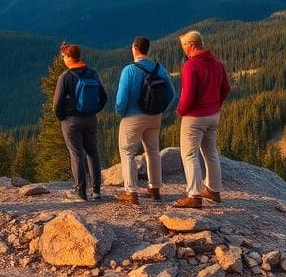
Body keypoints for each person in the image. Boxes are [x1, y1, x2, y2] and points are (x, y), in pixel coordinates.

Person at [114, 36, 176, 205]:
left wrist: (121, 113)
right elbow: (172, 94)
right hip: (155, 117)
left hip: (133, 117)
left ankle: (131, 191)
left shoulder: (129, 70)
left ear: (134, 48)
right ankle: (155, 188)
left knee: (128, 152)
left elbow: (121, 99)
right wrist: (161, 110)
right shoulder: (159, 68)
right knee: (153, 151)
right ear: (147, 49)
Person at [174, 30, 231, 209]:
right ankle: (214, 191)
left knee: (190, 154)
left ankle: (194, 195)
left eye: (183, 45)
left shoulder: (190, 65)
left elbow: (188, 94)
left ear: (190, 45)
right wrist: (217, 104)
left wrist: (181, 110)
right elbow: (226, 88)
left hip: (194, 117)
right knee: (211, 152)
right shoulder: (217, 64)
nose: (183, 49)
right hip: (213, 115)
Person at [52, 42, 108, 201]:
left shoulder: (65, 77)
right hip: (90, 119)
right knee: (93, 152)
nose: (62, 59)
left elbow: (57, 104)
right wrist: (93, 111)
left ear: (69, 57)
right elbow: (103, 97)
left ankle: (80, 192)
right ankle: (96, 191)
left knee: (76, 154)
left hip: (71, 120)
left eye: (63, 56)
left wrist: (62, 117)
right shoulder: (92, 73)